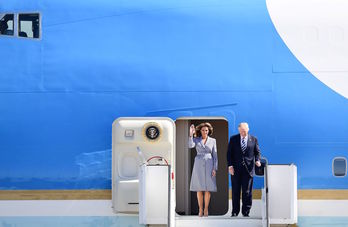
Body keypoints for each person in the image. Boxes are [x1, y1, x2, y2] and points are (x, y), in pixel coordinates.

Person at [227, 122, 261, 217]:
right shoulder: (233, 139)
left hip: (248, 170)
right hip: (236, 170)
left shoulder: (254, 139)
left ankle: (246, 212)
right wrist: (230, 166)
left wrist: (257, 160)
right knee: (235, 191)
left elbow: (257, 152)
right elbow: (229, 154)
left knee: (247, 192)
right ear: (239, 130)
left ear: (248, 129)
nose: (243, 133)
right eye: (242, 131)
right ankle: (235, 211)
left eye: (245, 131)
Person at [189, 122, 218, 217]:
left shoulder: (213, 140)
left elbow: (215, 156)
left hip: (209, 163)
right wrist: (190, 134)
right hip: (198, 163)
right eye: (203, 130)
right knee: (199, 188)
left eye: (206, 130)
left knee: (208, 189)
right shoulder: (196, 139)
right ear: (200, 131)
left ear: (209, 131)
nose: (205, 132)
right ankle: (200, 209)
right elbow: (190, 145)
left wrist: (215, 168)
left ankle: (206, 209)